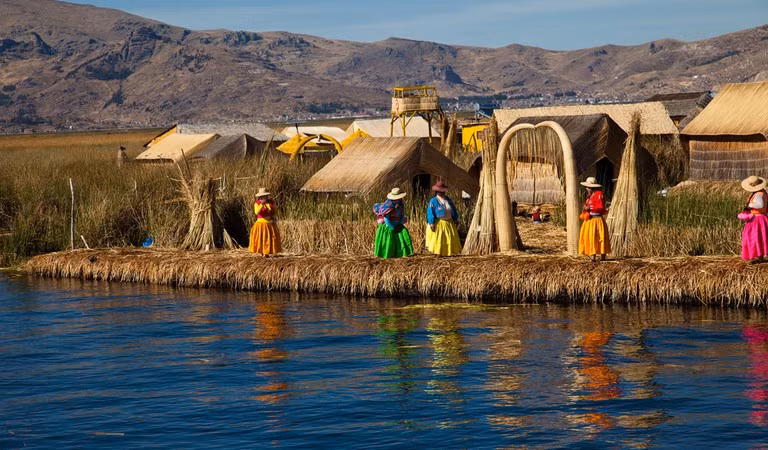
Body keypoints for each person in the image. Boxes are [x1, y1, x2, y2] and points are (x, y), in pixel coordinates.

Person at [373, 188, 413, 258]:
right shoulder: (388, 206)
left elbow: (402, 215)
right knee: (389, 241)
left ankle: (401, 254)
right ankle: (387, 255)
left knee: (400, 241)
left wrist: (400, 224)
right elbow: (386, 219)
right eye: (397, 198)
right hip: (389, 226)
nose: (398, 199)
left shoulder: (400, 204)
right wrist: (392, 227)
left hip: (398, 225)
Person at [578, 176, 611, 261]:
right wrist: (585, 208)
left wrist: (589, 207)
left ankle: (603, 256)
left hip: (597, 220)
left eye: (588, 187)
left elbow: (601, 207)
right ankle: (593, 256)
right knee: (590, 237)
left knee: (599, 237)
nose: (586, 188)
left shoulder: (599, 194)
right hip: (589, 220)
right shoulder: (589, 196)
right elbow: (587, 206)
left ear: (593, 187)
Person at [425, 181, 461, 256]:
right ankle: (439, 254)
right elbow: (430, 212)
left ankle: (448, 254)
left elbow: (453, 210)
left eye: (442, 191)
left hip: (449, 223)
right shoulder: (433, 201)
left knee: (449, 239)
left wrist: (456, 219)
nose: (441, 193)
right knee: (439, 239)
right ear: (437, 192)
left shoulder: (448, 200)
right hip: (439, 223)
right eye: (439, 191)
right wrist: (431, 223)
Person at [740, 175, 768, 263]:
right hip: (761, 218)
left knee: (756, 237)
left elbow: (760, 205)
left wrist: (750, 205)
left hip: (757, 219)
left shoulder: (759, 194)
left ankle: (760, 258)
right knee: (760, 237)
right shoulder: (762, 192)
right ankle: (760, 258)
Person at [248, 188, 281, 255]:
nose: (265, 197)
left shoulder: (270, 203)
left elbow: (275, 211)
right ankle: (261, 252)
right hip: (260, 224)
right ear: (261, 197)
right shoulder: (257, 203)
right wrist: (261, 205)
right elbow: (256, 212)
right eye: (263, 196)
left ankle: (267, 252)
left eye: (266, 196)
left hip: (269, 223)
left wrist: (273, 217)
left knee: (268, 238)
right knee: (260, 238)